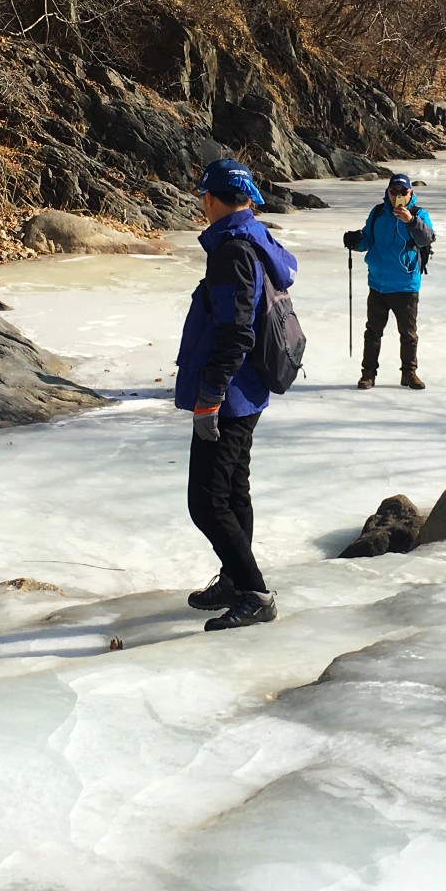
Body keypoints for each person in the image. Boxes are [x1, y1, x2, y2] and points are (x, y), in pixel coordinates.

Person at [177, 158, 299, 631]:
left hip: (228, 393)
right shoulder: (255, 237)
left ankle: (254, 593)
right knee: (233, 489)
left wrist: (209, 396)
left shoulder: (231, 250)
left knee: (206, 501)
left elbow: (235, 331)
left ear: (210, 199)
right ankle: (235, 578)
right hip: (247, 390)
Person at [343, 172, 435, 390]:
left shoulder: (418, 214)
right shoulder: (378, 213)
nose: (398, 196)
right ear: (387, 192)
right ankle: (368, 374)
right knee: (373, 332)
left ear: (411, 193)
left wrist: (410, 221)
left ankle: (409, 373)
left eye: (403, 192)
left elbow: (427, 239)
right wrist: (355, 241)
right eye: (394, 192)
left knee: (408, 334)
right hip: (378, 283)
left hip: (405, 284)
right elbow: (367, 240)